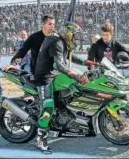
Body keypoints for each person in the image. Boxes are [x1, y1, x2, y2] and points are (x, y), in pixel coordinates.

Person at [33, 21, 88, 154]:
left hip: (54, 75)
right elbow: (59, 64)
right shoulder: (56, 42)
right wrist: (74, 75)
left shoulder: (62, 43)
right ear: (67, 34)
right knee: (48, 107)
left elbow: (70, 57)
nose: (76, 38)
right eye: (74, 35)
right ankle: (40, 140)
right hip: (45, 77)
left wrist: (86, 62)